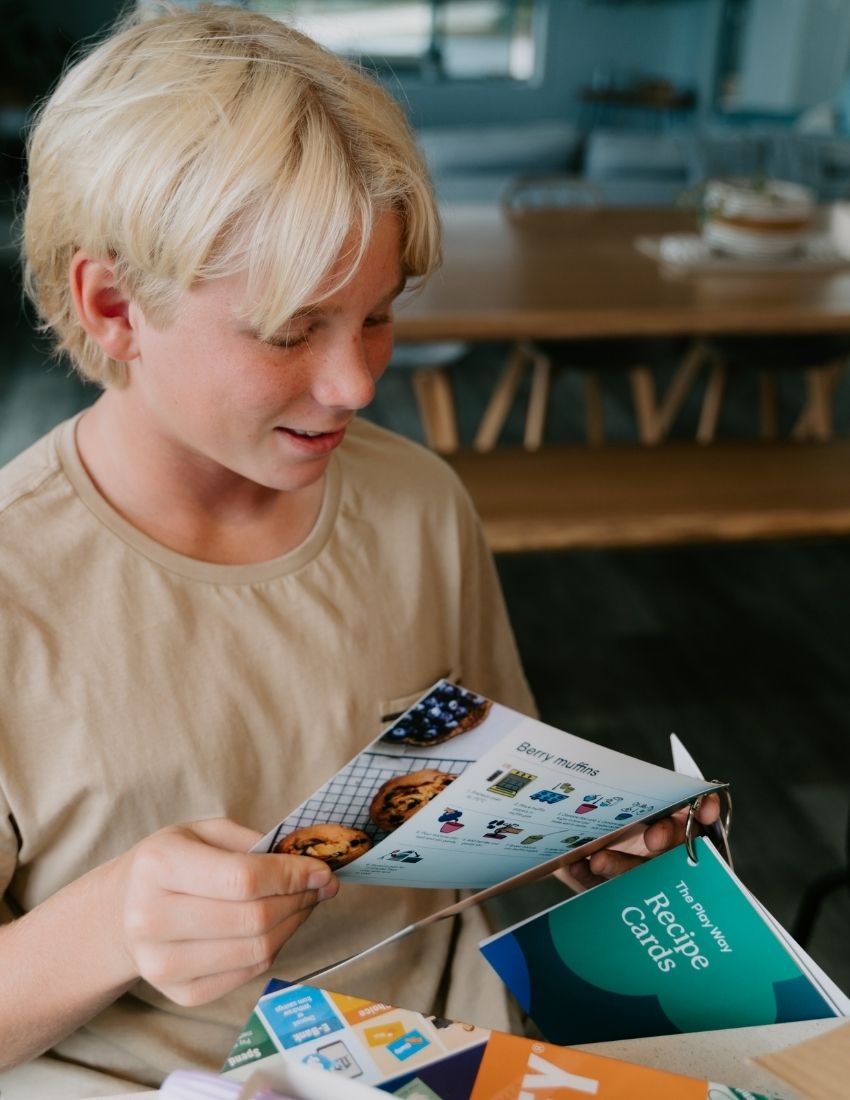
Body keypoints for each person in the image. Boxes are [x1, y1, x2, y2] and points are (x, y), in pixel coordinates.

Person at [0, 5, 718, 1096]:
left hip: (474, 1061)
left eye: (378, 316)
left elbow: (490, 789)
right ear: (113, 305)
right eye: (291, 330)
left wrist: (593, 836)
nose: (355, 383)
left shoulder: (419, 502)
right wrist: (109, 923)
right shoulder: (17, 584)